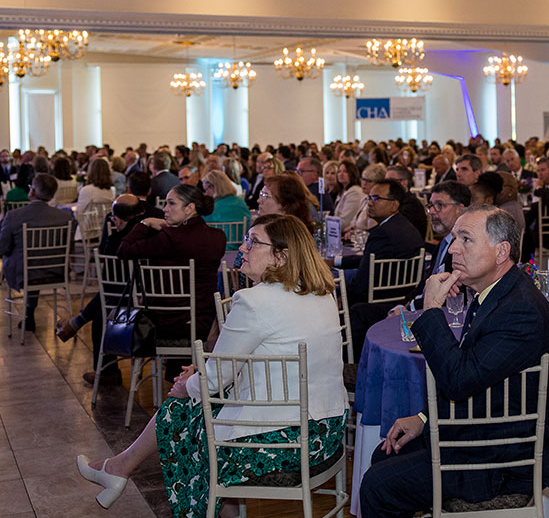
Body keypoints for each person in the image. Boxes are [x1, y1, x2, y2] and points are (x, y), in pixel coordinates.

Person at [76, 214, 350, 515]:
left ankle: (122, 469)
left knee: (179, 414)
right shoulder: (321, 293)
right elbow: (266, 360)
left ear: (281, 256)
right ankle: (120, 468)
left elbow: (216, 380)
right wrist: (200, 379)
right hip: (326, 432)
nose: (243, 248)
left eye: (253, 241)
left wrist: (186, 386)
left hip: (281, 444)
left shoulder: (254, 301)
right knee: (194, 406)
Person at [359, 205, 549, 516]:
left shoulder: (519, 309)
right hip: (486, 430)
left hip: (507, 458)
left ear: (501, 252)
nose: (453, 248)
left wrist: (432, 310)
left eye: (466, 239)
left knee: (378, 485)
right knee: (386, 454)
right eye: (454, 238)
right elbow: (476, 374)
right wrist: (423, 419)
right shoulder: (493, 293)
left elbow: (459, 381)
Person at [349, 180, 471, 354]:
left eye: (440, 205)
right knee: (362, 312)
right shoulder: (444, 243)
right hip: (417, 304)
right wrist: (402, 305)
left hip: (436, 314)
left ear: (461, 208)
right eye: (431, 206)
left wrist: (407, 310)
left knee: (358, 312)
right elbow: (423, 285)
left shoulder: (461, 249)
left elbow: (447, 295)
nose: (433, 212)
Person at [116, 184, 227, 353]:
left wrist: (145, 223)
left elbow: (123, 250)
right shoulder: (218, 237)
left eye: (171, 203)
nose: (164, 209)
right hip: (206, 321)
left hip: (168, 323)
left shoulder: (170, 238)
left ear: (189, 208)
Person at [56, 194, 148, 383]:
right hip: (155, 296)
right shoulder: (155, 229)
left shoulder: (118, 242)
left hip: (136, 305)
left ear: (118, 219)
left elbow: (107, 282)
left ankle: (108, 371)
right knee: (110, 298)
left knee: (103, 312)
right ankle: (77, 322)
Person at [0, 174, 76, 332]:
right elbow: (69, 247)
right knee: (34, 263)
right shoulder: (66, 218)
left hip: (23, 273)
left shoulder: (14, 216)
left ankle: (28, 314)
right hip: (56, 271)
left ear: (32, 192)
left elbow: (3, 248)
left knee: (26, 261)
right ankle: (29, 312)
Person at [334, 179, 426, 306]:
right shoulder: (407, 227)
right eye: (369, 198)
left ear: (394, 205)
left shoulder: (382, 234)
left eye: (376, 199)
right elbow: (370, 260)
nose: (370, 204)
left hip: (375, 304)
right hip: (402, 297)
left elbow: (361, 284)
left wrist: (341, 297)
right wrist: (335, 261)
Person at [201, 169, 252, 238]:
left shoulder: (214, 207)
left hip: (220, 244)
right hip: (242, 244)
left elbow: (202, 223)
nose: (206, 193)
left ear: (213, 187)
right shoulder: (241, 202)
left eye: (206, 189)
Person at [386, 165, 429, 237]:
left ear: (404, 183)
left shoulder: (411, 205)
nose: (386, 185)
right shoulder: (397, 200)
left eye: (391, 181)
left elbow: (396, 230)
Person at [331, 160, 366, 227]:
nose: (341, 174)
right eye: (339, 171)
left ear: (352, 174)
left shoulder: (355, 192)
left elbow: (345, 221)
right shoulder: (343, 191)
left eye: (345, 171)